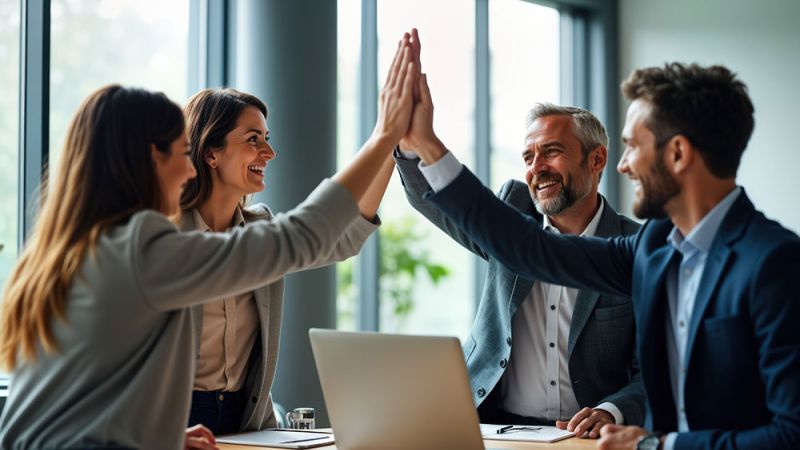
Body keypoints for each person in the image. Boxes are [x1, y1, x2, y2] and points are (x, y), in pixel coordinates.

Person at [0, 32, 417, 450]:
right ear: (148, 159)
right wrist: (383, 135)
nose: (188, 171)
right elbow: (298, 238)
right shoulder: (142, 247)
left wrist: (154, 436)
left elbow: (86, 390)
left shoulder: (79, 248)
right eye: (183, 154)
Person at [400, 49, 800, 450]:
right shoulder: (653, 247)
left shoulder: (776, 262)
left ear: (677, 153)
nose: (624, 165)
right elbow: (530, 250)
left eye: (632, 146)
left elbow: (792, 433)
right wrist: (427, 146)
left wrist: (656, 446)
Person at [396, 101, 643, 437]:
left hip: (585, 436)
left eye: (551, 151)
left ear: (596, 159)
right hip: (492, 424)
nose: (536, 168)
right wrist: (408, 143)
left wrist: (611, 410)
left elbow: (655, 370)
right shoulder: (511, 217)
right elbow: (433, 200)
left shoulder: (635, 247)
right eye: (528, 157)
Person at [178, 87, 394, 434]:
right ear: (210, 153)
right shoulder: (167, 237)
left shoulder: (260, 229)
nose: (270, 152)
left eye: (267, 138)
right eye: (253, 139)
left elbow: (346, 237)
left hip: (247, 421)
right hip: (175, 420)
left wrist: (392, 150)